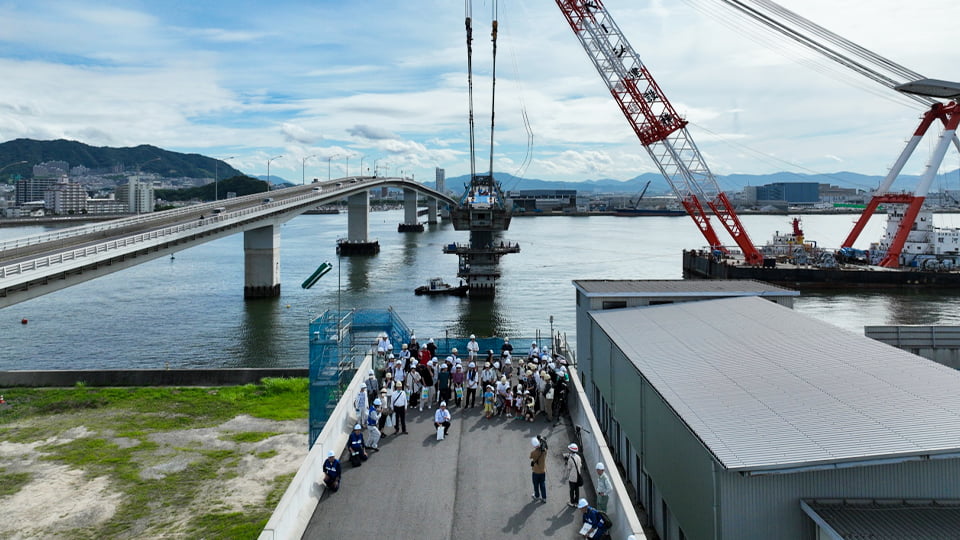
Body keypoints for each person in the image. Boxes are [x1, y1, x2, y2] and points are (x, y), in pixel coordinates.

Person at [564, 443, 583, 508]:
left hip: (572, 477)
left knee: (572, 490)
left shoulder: (570, 459)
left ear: (571, 451)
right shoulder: (578, 457)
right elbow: (580, 465)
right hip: (578, 476)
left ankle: (572, 502)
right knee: (577, 490)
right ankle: (576, 502)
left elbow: (568, 468)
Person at [530, 436, 547, 503]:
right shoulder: (544, 451)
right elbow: (545, 447)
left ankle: (537, 496)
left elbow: (530, 457)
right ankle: (544, 497)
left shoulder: (533, 453)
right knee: (542, 484)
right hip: (543, 470)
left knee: (536, 484)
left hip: (536, 471)